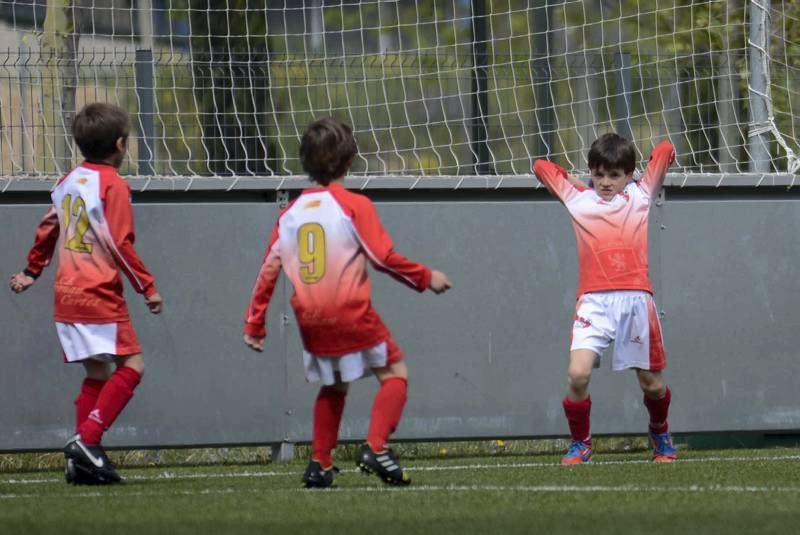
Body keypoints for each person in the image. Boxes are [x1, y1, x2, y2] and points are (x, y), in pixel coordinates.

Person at [243, 117, 451, 487]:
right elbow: (383, 256)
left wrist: (255, 323)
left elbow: (267, 270)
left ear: (306, 164)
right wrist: (425, 277)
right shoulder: (354, 205)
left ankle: (320, 464)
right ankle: (376, 447)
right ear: (350, 160)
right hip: (348, 311)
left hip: (310, 317)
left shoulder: (289, 215)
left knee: (334, 384)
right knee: (395, 373)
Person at [9, 102, 162, 484]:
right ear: (121, 144)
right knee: (133, 367)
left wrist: (32, 270)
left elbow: (48, 227)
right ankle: (87, 442)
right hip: (98, 292)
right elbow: (120, 243)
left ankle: (81, 463)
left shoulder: (67, 182)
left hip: (66, 293)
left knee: (97, 371)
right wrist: (147, 287)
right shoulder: (113, 185)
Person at [532, 133, 677, 464]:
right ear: (591, 174)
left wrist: (653, 169)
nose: (606, 182)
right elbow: (541, 166)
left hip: (636, 301)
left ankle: (660, 430)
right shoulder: (579, 201)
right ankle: (581, 443)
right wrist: (576, 182)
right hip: (594, 303)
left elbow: (666, 149)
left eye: (614, 175)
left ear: (629, 175)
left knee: (651, 384)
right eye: (598, 174)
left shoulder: (640, 196)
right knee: (578, 375)